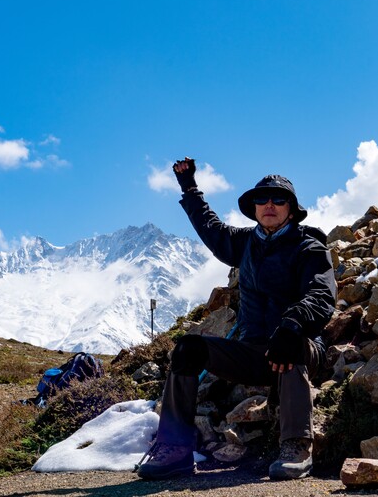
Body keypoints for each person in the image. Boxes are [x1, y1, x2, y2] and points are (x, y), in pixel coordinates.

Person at [136, 158, 336, 481]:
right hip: (254, 352)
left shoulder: (309, 247)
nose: (269, 204)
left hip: (298, 349)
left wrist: (293, 323)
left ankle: (296, 446)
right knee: (188, 349)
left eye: (278, 199)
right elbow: (210, 229)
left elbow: (322, 295)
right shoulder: (245, 244)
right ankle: (174, 450)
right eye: (262, 199)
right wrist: (189, 188)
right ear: (254, 207)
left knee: (292, 344)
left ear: (292, 208)